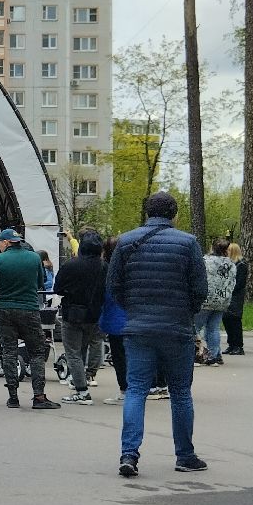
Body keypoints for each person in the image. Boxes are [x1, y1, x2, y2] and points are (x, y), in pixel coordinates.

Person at [108, 192, 208, 477]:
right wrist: (186, 312)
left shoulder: (126, 241)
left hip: (138, 328)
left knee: (136, 390)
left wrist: (134, 309)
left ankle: (129, 454)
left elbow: (114, 285)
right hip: (177, 330)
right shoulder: (188, 243)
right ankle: (185, 456)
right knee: (180, 392)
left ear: (147, 212)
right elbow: (200, 289)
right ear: (174, 214)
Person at [0, 228, 59, 410]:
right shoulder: (34, 258)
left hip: (5, 310)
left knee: (9, 351)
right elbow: (40, 283)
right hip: (30, 310)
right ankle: (39, 396)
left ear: (6, 243)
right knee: (37, 352)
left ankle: (13, 397)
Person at [54, 230, 106, 405]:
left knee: (73, 352)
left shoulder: (71, 266)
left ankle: (81, 390)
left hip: (73, 313)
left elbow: (57, 288)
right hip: (95, 314)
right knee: (88, 346)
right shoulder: (104, 267)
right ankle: (87, 376)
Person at [195, 238, 236, 366]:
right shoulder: (231, 264)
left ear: (213, 248)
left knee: (195, 327)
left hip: (205, 299)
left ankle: (195, 354)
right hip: (222, 300)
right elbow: (232, 282)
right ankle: (214, 356)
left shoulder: (206, 261)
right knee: (213, 328)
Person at [98, 236, 128, 406]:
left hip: (115, 318)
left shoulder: (108, 270)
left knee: (119, 356)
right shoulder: (131, 267)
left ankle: (125, 389)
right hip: (132, 317)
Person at [223, 242, 247, 355]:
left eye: (228, 251)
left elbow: (240, 283)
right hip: (228, 294)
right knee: (226, 319)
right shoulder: (229, 264)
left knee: (235, 320)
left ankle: (238, 345)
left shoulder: (241, 265)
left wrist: (230, 289)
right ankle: (231, 344)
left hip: (236, 295)